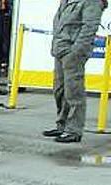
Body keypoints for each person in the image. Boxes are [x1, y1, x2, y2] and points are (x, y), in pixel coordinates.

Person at [44, 0, 106, 143]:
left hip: (72, 52)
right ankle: (62, 125)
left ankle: (74, 130)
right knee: (59, 90)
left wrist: (76, 51)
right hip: (60, 49)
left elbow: (89, 28)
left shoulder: (93, 2)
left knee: (74, 91)